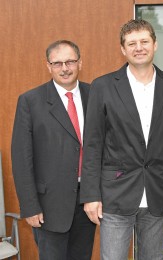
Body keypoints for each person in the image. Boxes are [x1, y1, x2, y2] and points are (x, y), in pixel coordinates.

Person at [79, 19, 163, 260]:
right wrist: (90, 195)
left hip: (159, 193)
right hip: (115, 195)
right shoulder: (103, 86)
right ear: (122, 49)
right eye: (132, 43)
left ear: (155, 45)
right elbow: (93, 144)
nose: (138, 47)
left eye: (144, 42)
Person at [11, 40, 96, 260]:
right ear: (48, 66)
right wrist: (30, 206)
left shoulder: (95, 95)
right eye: (57, 63)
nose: (64, 68)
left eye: (70, 61)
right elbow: (22, 158)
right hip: (48, 206)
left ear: (80, 63)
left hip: (88, 201)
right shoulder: (30, 101)